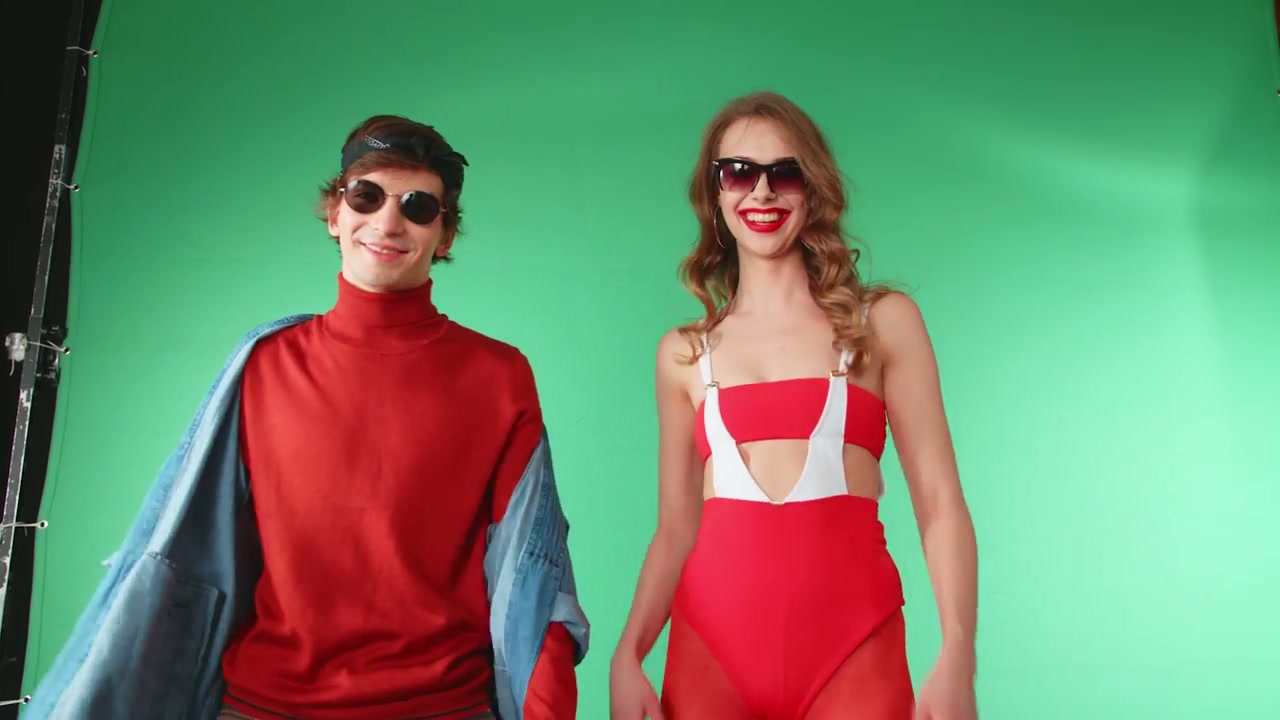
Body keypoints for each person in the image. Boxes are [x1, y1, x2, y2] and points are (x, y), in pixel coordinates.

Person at [25, 115, 589, 720]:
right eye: (366, 196)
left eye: (419, 207)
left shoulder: (498, 375)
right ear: (335, 214)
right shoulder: (263, 365)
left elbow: (536, 569)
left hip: (441, 706)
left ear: (445, 236)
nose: (388, 222)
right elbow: (192, 549)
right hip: (262, 704)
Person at [608, 92, 979, 720]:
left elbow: (939, 503)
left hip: (854, 651)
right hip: (708, 658)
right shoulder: (684, 354)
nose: (761, 192)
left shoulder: (882, 324)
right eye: (738, 172)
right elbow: (675, 528)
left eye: (785, 173)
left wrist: (957, 658)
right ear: (715, 193)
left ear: (814, 188)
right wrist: (628, 655)